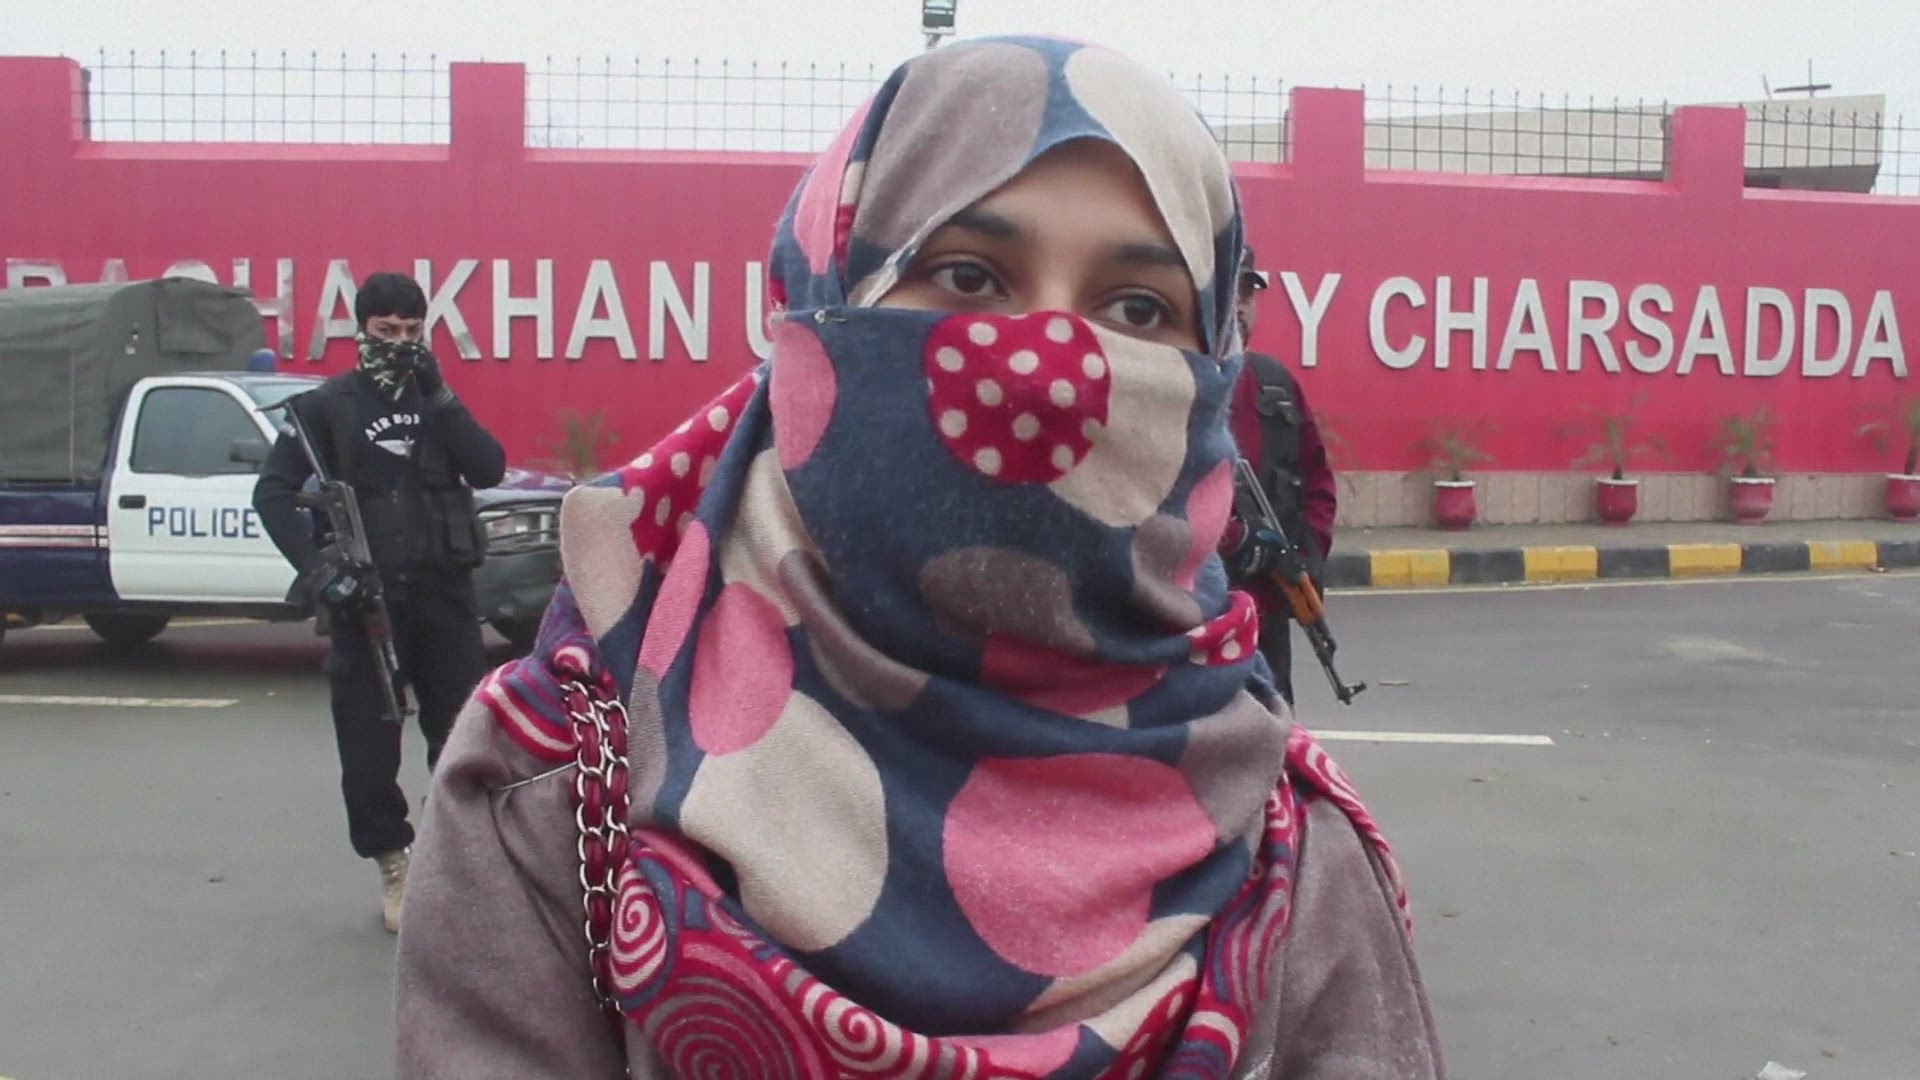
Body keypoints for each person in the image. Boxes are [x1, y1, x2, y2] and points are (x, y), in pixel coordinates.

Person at [396, 36, 1443, 1079]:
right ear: (823, 307)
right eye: (968, 275)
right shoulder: (557, 780)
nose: (1046, 369)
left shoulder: (1282, 850)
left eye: (1137, 308)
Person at [253, 271, 506, 933]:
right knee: (368, 749)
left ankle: (455, 857)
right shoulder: (325, 407)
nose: (400, 341)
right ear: (361, 330)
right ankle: (394, 862)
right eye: (386, 330)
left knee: (462, 738)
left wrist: (441, 396)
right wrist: (320, 572)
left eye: (412, 330)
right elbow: (272, 494)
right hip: (365, 605)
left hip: (443, 598)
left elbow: (489, 468)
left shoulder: (435, 401)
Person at [1222, 249, 1339, 706]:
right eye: (1228, 290)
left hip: (1265, 614)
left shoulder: (1275, 383)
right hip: (1190, 615)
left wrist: (1301, 558)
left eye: (1247, 293)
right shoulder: (1170, 384)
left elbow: (1317, 483)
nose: (1238, 305)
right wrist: (1234, 541)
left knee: (1276, 724)